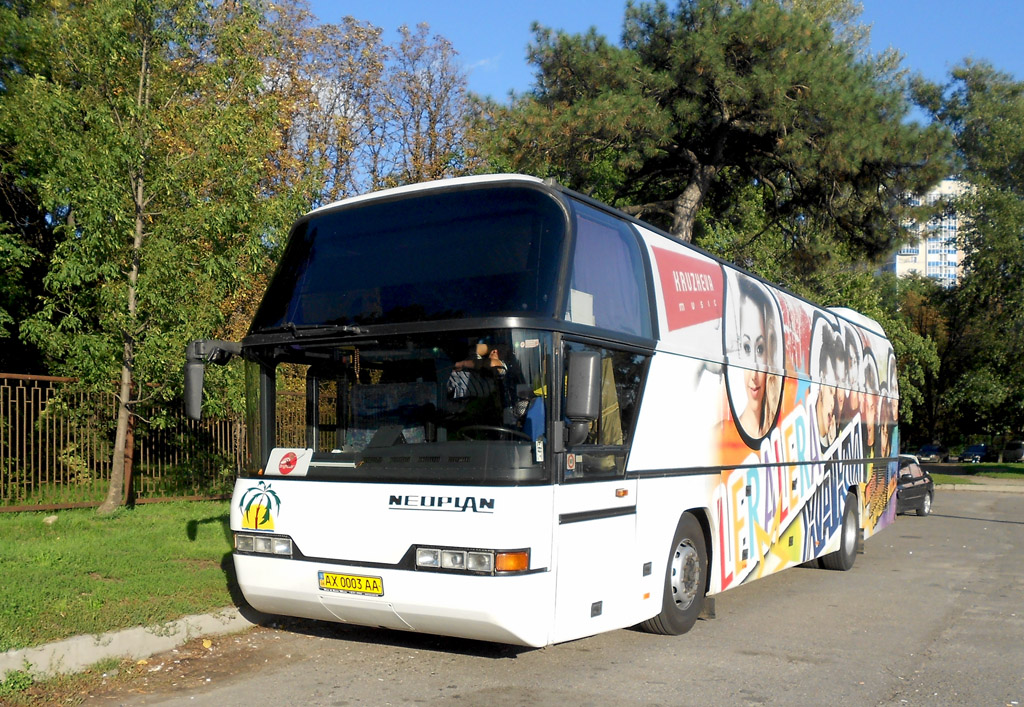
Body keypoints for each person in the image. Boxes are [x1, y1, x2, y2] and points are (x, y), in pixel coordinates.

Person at [727, 275, 783, 442]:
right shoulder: (721, 434)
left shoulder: (779, 430)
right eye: (746, 348)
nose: (754, 375)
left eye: (760, 349)